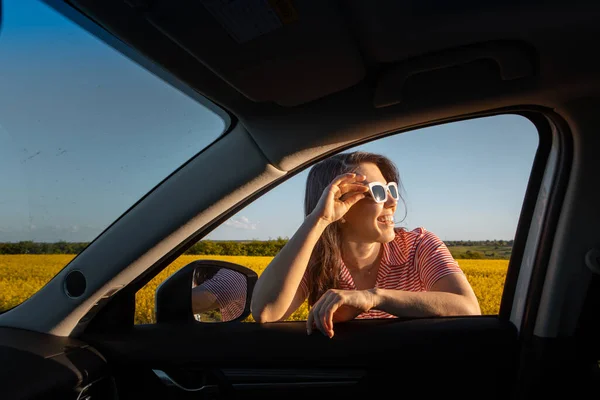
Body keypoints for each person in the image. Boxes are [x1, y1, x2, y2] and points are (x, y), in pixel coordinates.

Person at [250, 151, 481, 337]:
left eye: (390, 189)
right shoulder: (315, 259)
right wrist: (318, 219)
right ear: (338, 206)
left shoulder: (419, 246)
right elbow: (266, 313)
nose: (392, 201)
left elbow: (468, 309)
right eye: (378, 192)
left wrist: (373, 298)